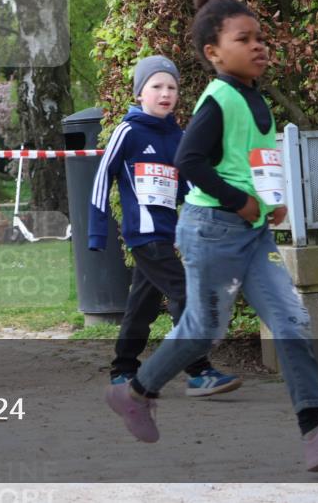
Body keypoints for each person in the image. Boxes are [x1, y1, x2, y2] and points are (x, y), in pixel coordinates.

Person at [104, 0, 318, 472]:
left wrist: (269, 202)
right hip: (210, 232)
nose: (258, 46)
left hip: (251, 236)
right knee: (203, 328)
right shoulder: (220, 98)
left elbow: (251, 163)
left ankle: (316, 433)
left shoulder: (255, 97)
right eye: (243, 39)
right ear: (213, 52)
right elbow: (189, 162)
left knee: (292, 323)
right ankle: (136, 392)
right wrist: (240, 201)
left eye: (261, 38)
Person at [89, 55, 239, 395]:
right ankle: (198, 371)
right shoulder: (127, 131)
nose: (165, 93)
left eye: (171, 87)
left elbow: (190, 187)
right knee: (187, 293)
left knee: (141, 305)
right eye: (156, 86)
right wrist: (97, 232)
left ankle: (123, 368)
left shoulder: (180, 136)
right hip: (143, 235)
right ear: (140, 93)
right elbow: (102, 179)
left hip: (169, 234)